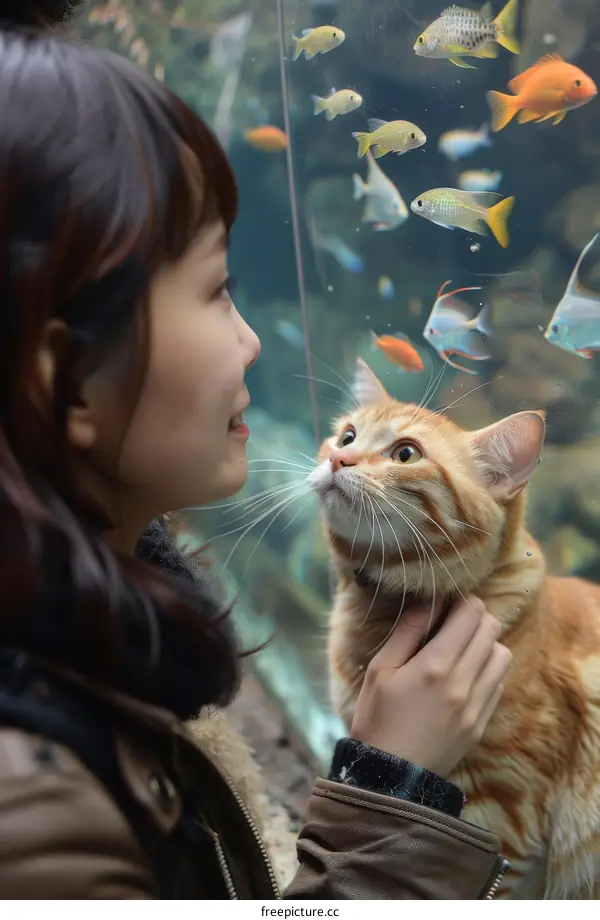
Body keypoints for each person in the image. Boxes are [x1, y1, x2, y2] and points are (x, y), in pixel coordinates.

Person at [0, 14, 512, 901]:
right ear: (68, 377)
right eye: (216, 288)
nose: (251, 342)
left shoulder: (94, 645)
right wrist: (388, 793)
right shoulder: (37, 810)